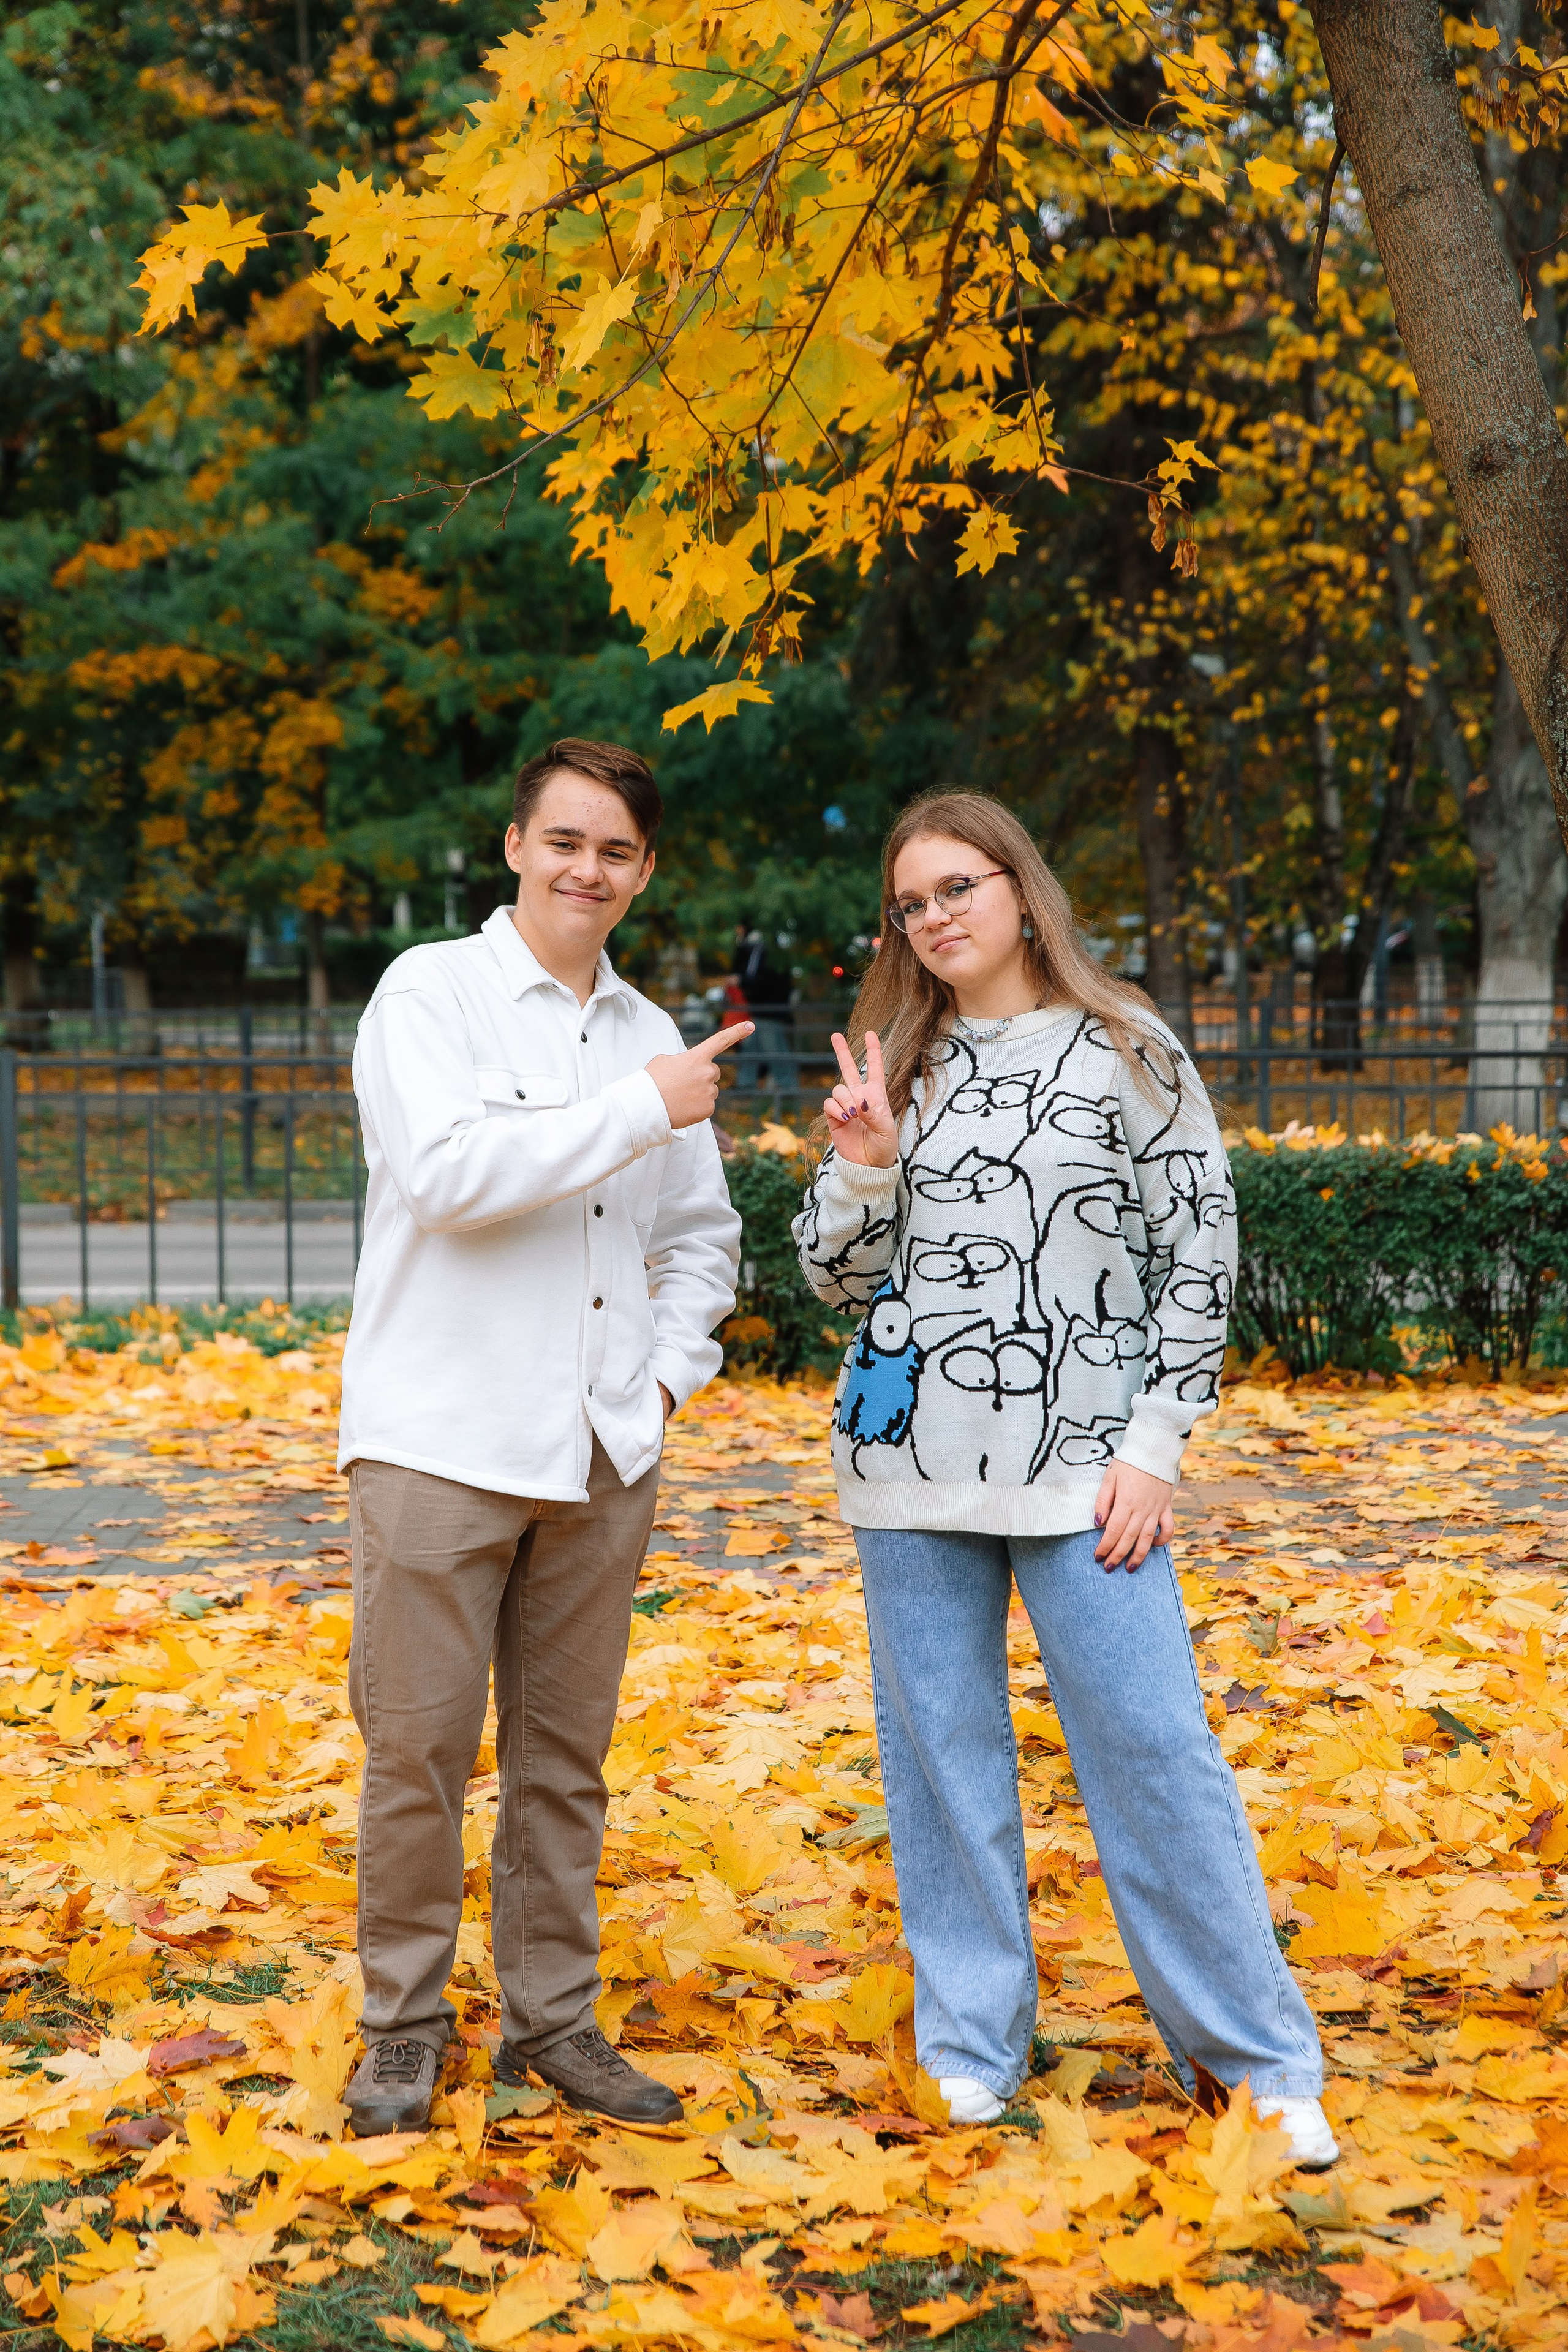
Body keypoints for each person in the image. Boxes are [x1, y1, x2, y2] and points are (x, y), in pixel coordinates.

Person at [793, 790, 1335, 2166]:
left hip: (1088, 1475)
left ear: (1020, 891)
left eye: (957, 887)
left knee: (1156, 1754)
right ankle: (971, 2044)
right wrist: (862, 1170)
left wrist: (1155, 1446)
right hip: (909, 1471)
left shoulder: (1127, 1046)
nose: (935, 918)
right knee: (943, 1768)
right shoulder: (899, 1066)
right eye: (910, 903)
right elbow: (835, 1284)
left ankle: (1258, 2062)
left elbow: (1198, 1252)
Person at [339, 737, 748, 2134]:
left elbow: (699, 1239)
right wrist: (638, 1109)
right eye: (564, 840)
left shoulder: (650, 1030)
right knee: (417, 1757)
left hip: (600, 1454)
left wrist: (664, 1382)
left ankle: (553, 2023)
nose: (587, 868)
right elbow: (447, 1177)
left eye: (615, 850)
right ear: (515, 844)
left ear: (645, 871)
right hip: (439, 1444)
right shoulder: (429, 993)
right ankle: (402, 2030)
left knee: (563, 1765)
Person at [732, 918, 794, 1093]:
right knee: (751, 1048)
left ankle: (787, 1088)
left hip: (767, 1010)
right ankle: (746, 1085)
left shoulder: (760, 949)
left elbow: (756, 977)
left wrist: (742, 981)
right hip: (763, 1010)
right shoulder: (769, 948)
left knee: (773, 1050)